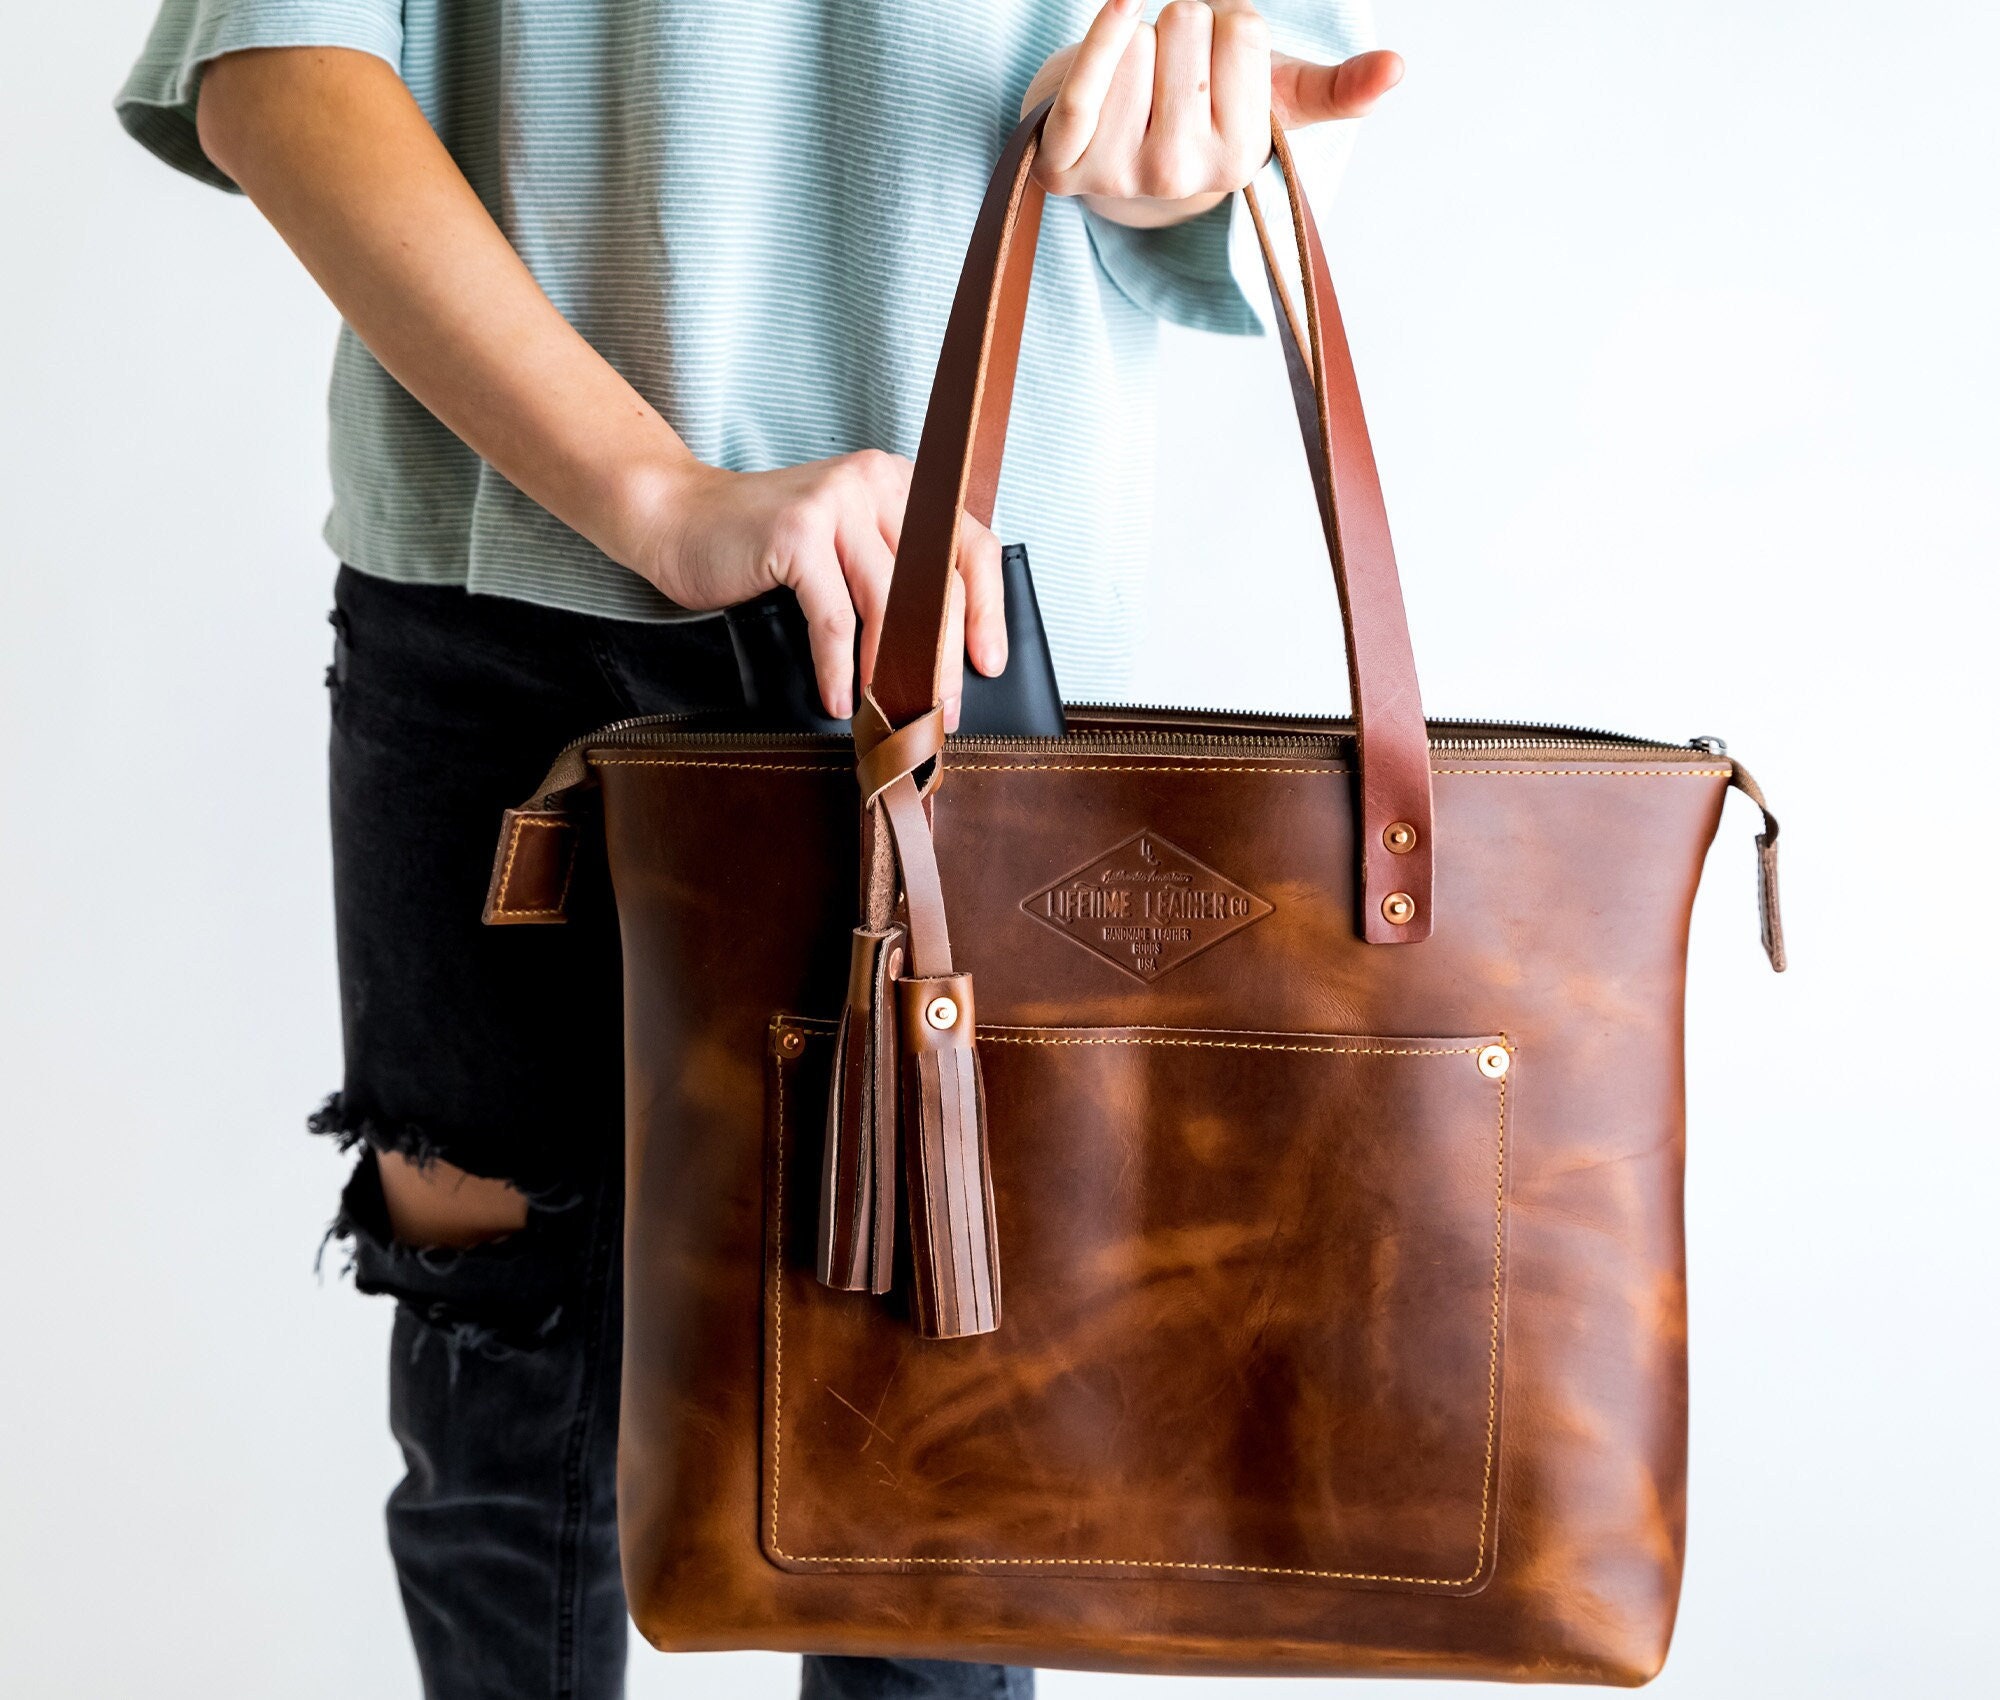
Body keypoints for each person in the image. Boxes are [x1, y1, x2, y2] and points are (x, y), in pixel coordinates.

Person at [115, 3, 1399, 1696]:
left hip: (957, 642)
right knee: (513, 1408)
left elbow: (1226, 112)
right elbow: (274, 61)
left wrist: (1172, 140)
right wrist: (655, 491)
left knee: (932, 1439)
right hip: (503, 609)